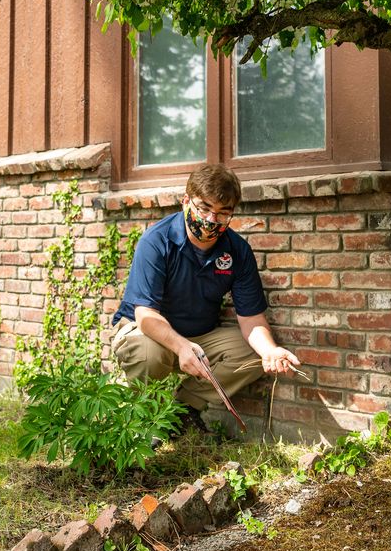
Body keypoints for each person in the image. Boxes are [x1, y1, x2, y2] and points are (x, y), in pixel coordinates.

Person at [111, 163, 300, 434]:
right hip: (145, 332)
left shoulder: (237, 250)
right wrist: (181, 347)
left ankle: (183, 410)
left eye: (223, 212)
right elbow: (146, 315)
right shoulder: (157, 240)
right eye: (204, 208)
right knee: (148, 354)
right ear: (186, 201)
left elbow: (251, 319)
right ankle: (142, 419)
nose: (212, 219)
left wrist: (269, 351)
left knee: (252, 354)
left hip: (199, 337)